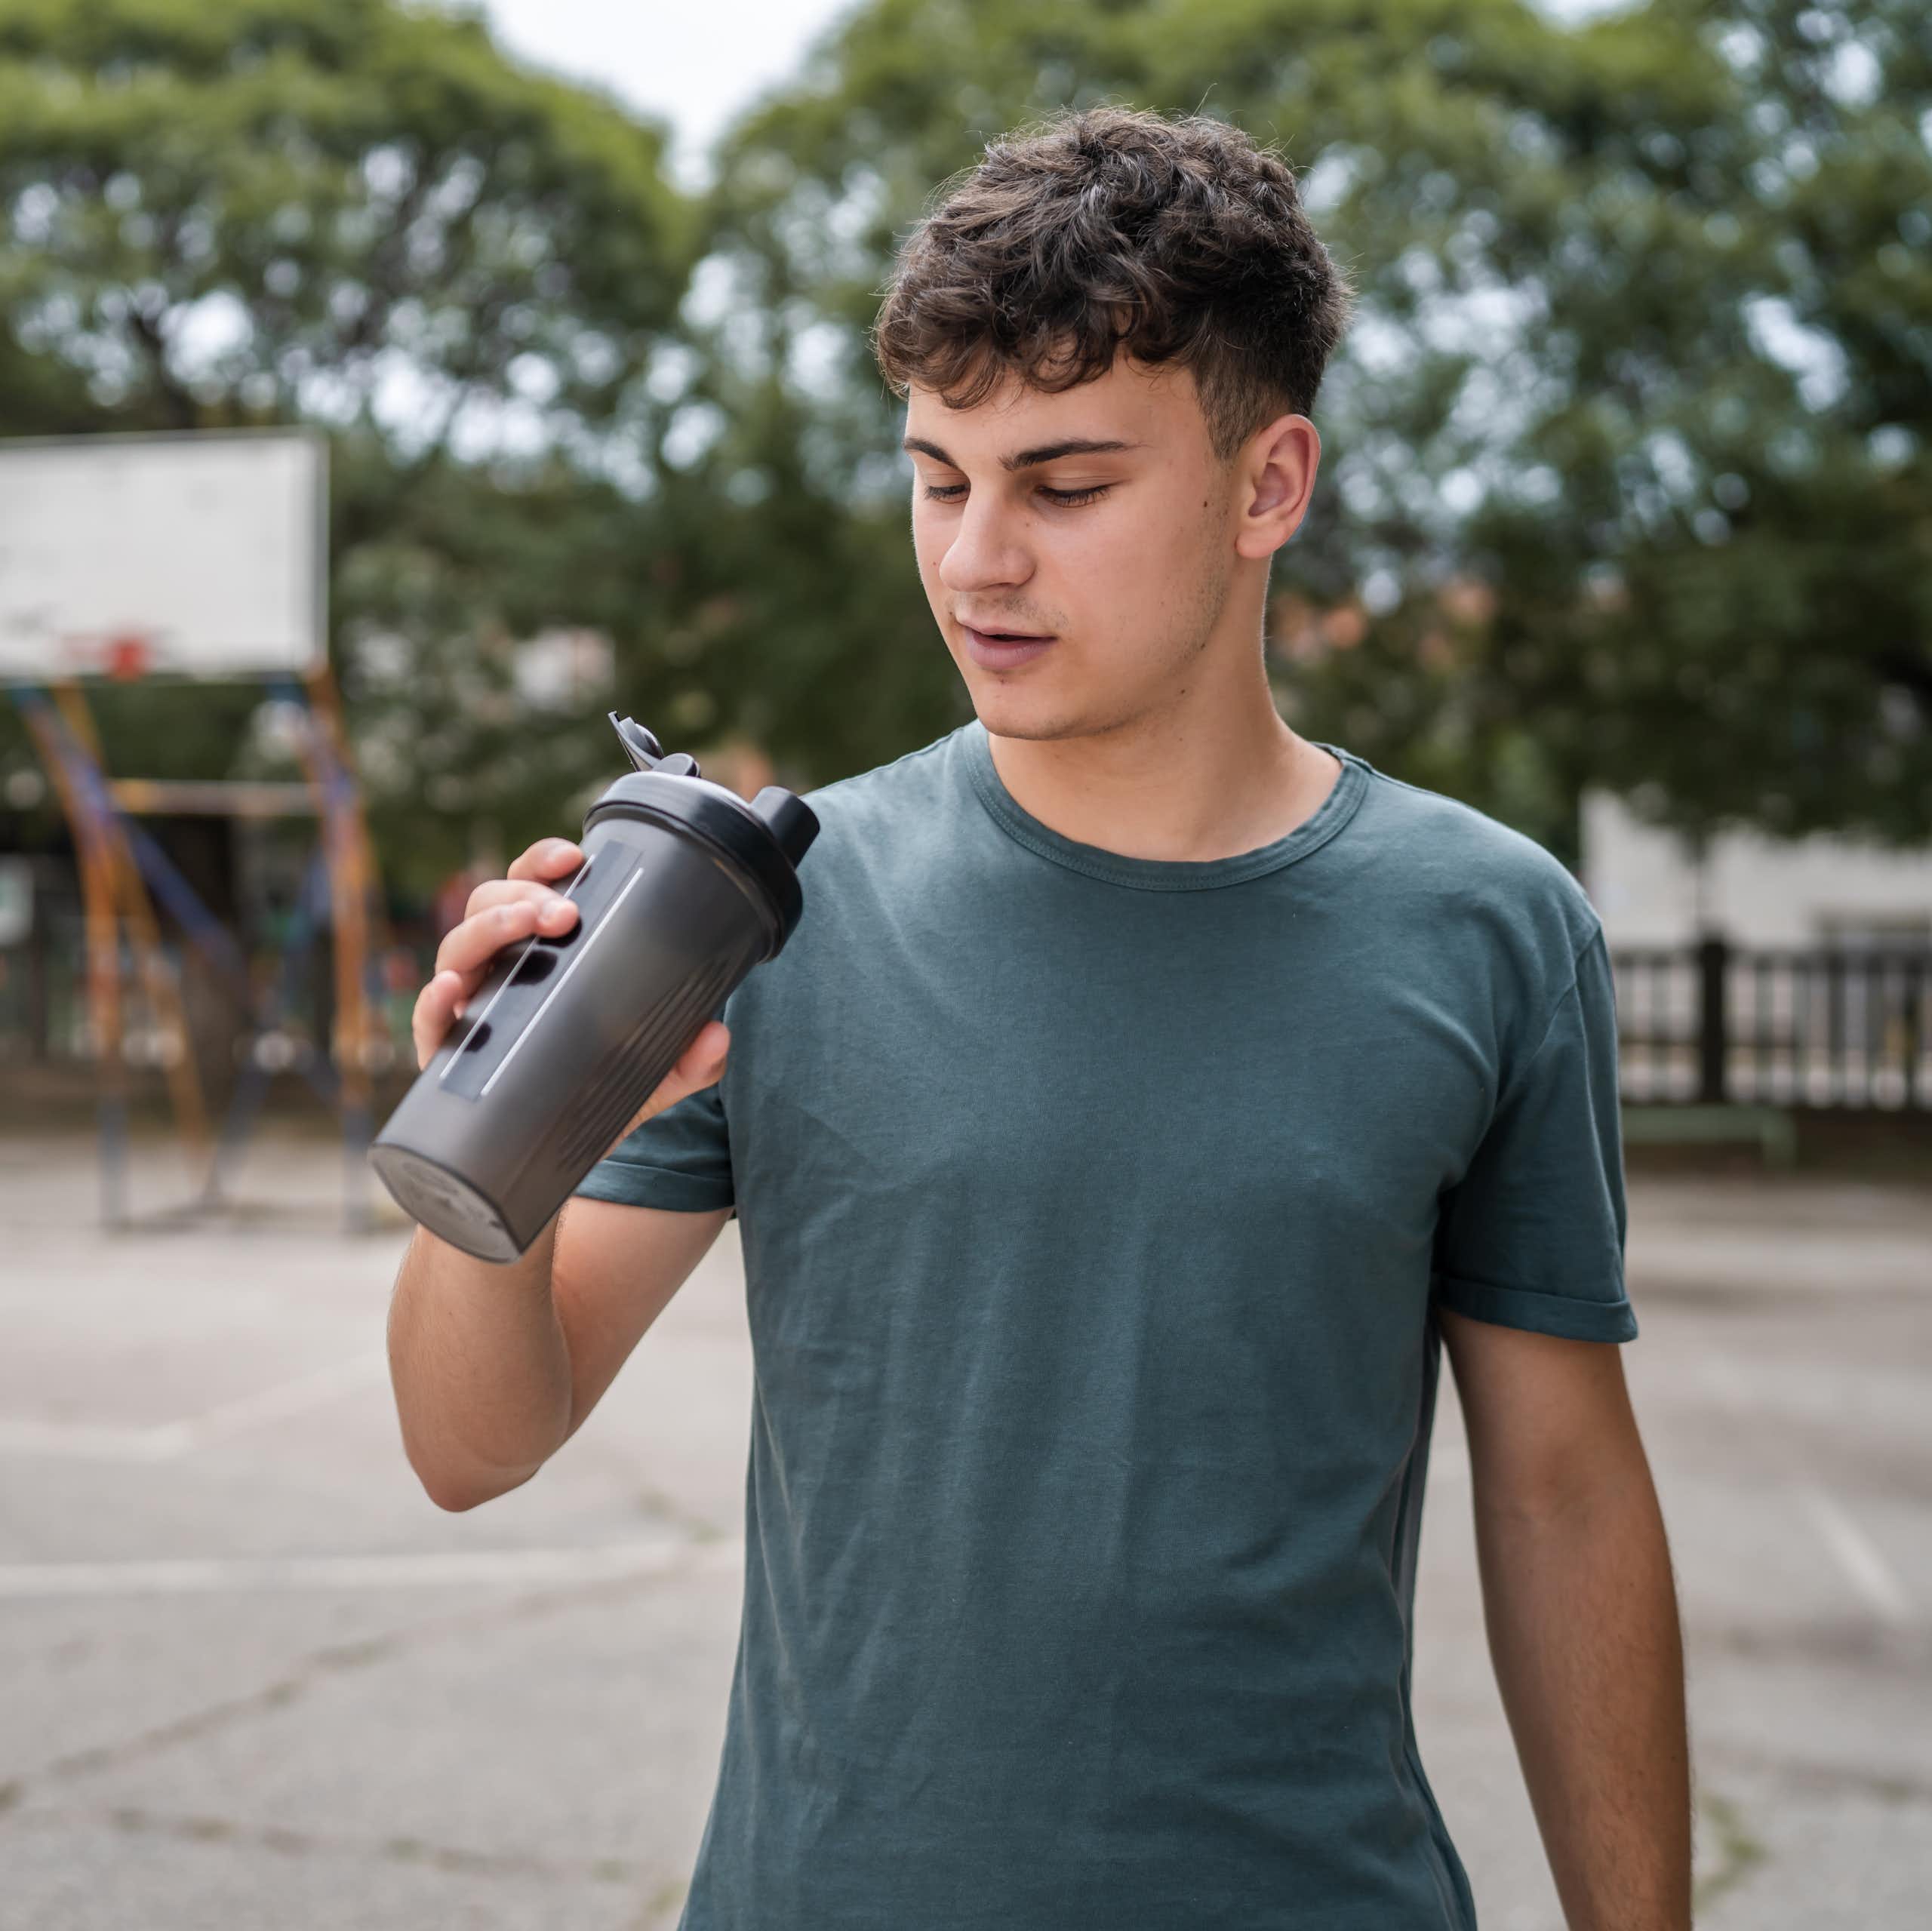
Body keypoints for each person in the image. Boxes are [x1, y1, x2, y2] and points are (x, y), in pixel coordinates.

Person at [387, 106, 1690, 1930]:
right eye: (938, 476)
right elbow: (471, 1443)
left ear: (1268, 483)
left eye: (1062, 486)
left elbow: (1559, 1497)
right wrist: (489, 1122)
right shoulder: (765, 902)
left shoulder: (1488, 928)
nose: (975, 560)